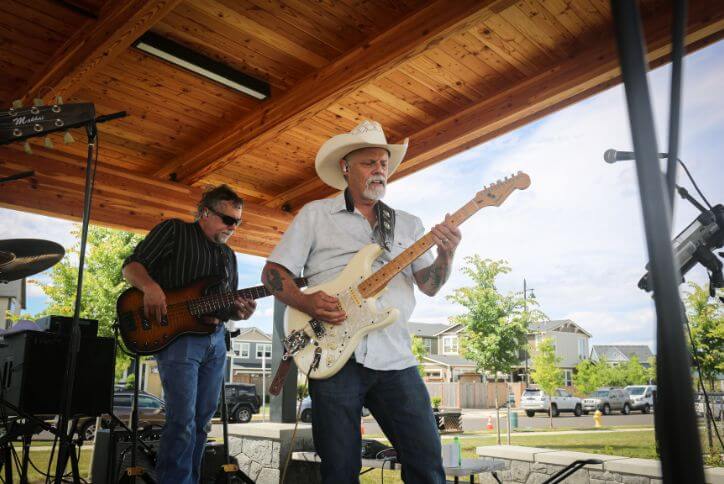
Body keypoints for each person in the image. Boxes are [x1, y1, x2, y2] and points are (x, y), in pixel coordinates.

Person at [261, 120, 461, 483]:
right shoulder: (315, 215)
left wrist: (446, 256)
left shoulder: (408, 224)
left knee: (427, 464)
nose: (379, 170)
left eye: (383, 163)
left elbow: (429, 285)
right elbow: (273, 274)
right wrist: (307, 304)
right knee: (340, 471)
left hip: (395, 356)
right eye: (370, 162)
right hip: (335, 358)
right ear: (346, 167)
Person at [122, 185, 257, 484]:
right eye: (227, 219)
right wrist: (150, 287)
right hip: (179, 339)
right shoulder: (174, 231)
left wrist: (240, 312)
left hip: (216, 340)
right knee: (181, 420)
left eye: (238, 221)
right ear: (205, 212)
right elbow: (130, 267)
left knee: (201, 423)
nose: (233, 227)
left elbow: (227, 304)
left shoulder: (229, 256)